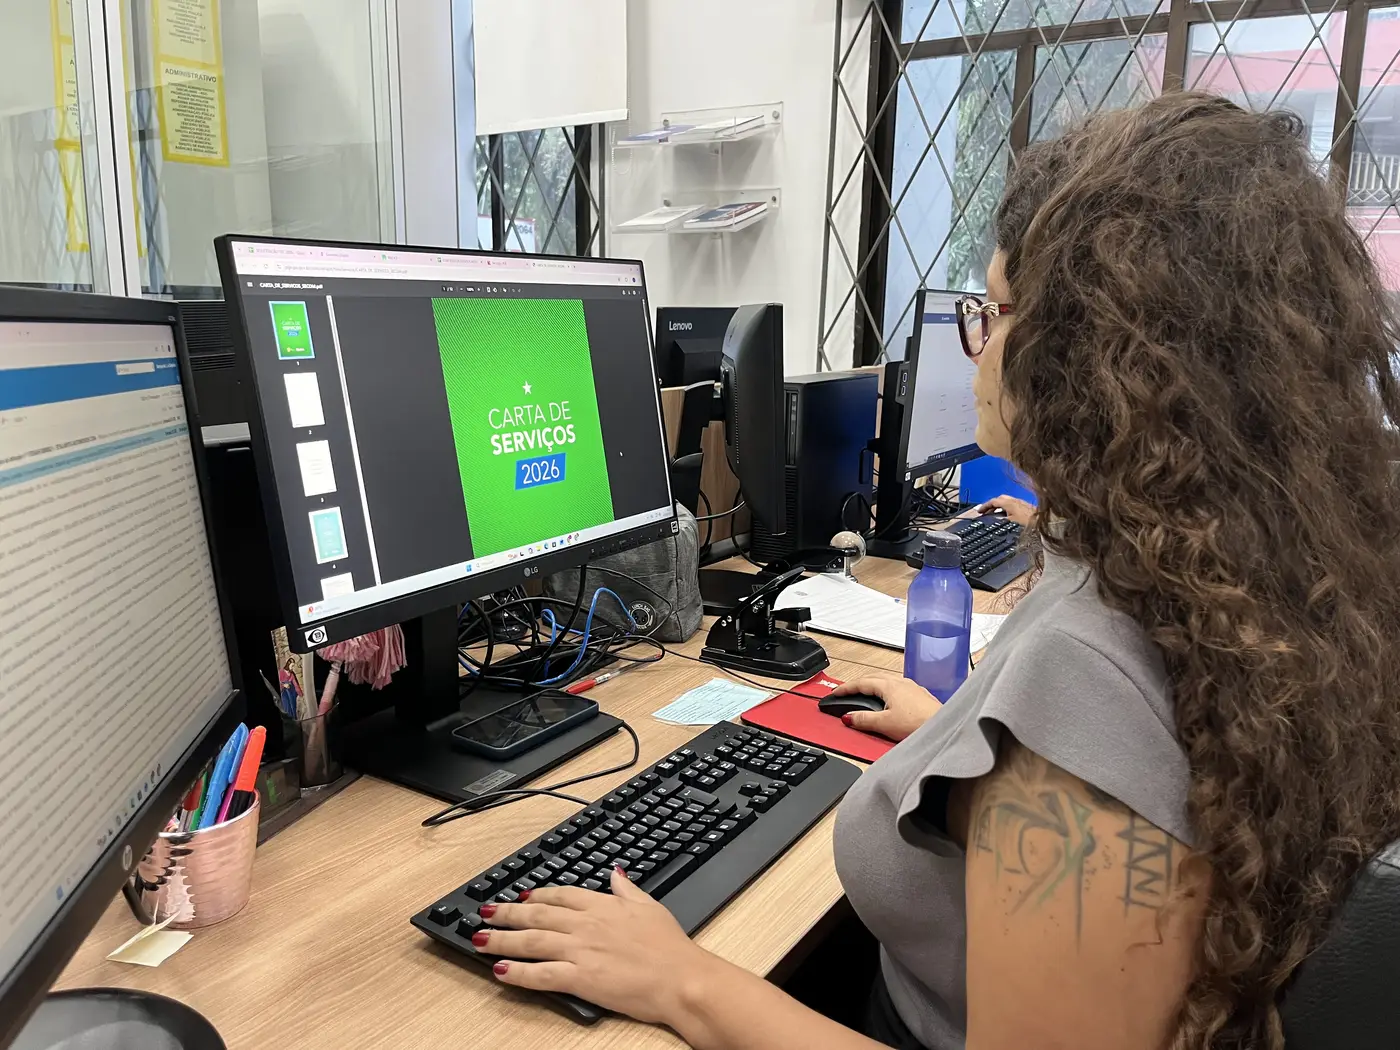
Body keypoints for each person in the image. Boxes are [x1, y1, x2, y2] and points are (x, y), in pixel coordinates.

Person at [465, 92, 1400, 1050]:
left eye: (991, 314)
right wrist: (964, 749)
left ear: (1090, 351)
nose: (978, 349)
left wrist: (682, 982)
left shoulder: (1089, 669)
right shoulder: (1249, 579)